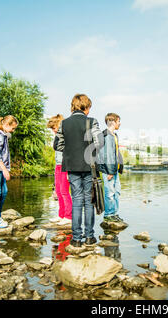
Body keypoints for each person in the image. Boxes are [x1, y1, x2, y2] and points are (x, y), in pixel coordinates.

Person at [56, 94, 102, 247]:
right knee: (89, 201)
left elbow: (57, 145)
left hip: (71, 166)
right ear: (86, 107)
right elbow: (99, 142)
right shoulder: (91, 121)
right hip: (89, 166)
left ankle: (76, 239)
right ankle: (89, 237)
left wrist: (71, 150)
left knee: (76, 200)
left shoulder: (64, 123)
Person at [97, 113, 124, 223]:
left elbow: (115, 153)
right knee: (110, 193)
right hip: (109, 170)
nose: (120, 123)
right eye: (118, 121)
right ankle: (109, 214)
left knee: (117, 191)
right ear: (113, 122)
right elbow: (107, 155)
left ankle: (114, 213)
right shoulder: (107, 135)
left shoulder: (114, 135)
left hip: (114, 169)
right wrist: (110, 171)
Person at [47, 115, 72, 225]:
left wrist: (68, 169)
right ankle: (61, 214)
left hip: (64, 166)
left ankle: (68, 216)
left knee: (64, 191)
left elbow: (69, 153)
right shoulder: (58, 136)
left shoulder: (66, 136)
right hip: (58, 165)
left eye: (54, 128)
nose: (53, 130)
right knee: (58, 191)